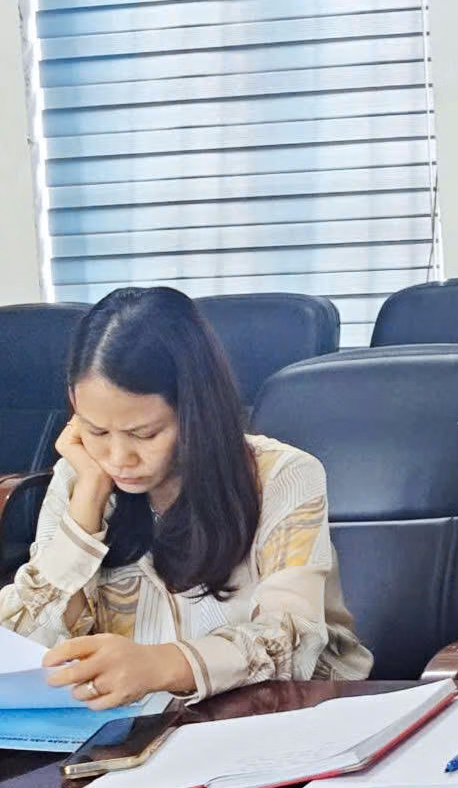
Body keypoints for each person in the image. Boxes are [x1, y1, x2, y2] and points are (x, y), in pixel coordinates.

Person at [0, 288, 370, 708]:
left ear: (196, 409)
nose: (119, 459)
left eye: (144, 434)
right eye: (97, 430)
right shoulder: (81, 476)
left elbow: (292, 639)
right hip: (138, 722)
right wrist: (85, 512)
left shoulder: (283, 476)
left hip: (274, 713)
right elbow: (19, 643)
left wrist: (160, 665)